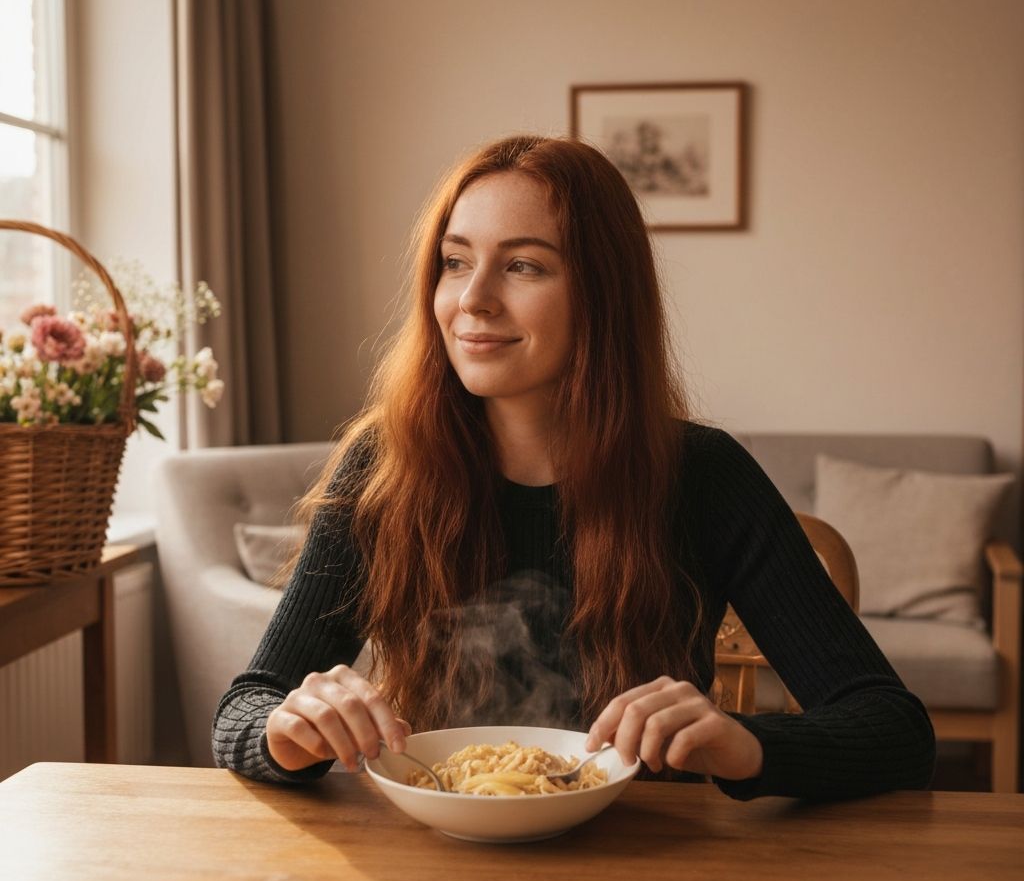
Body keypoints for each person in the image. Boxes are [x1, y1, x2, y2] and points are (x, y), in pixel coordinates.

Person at [213, 134, 935, 799]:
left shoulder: (703, 475)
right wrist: (287, 730)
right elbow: (243, 711)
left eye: (523, 265)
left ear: (601, 296)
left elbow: (895, 729)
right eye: (456, 261)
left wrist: (745, 746)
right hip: (440, 865)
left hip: (658, 868)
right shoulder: (384, 467)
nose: (472, 299)